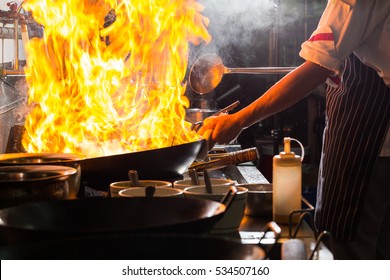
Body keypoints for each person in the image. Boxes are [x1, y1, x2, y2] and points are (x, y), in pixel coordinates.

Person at [198, 0, 390, 259]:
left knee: (347, 245)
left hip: (370, 141)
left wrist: (239, 121)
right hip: (371, 135)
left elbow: (316, 68)